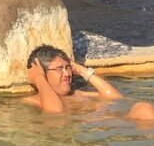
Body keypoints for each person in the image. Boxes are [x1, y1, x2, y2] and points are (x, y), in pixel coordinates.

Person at [25, 44, 154, 120]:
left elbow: (117, 99)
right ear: (42, 72)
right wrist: (39, 79)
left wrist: (83, 71)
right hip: (100, 134)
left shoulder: (79, 94)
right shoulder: (31, 101)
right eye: (59, 69)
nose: (67, 73)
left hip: (117, 127)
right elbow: (55, 112)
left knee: (143, 108)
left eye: (68, 67)